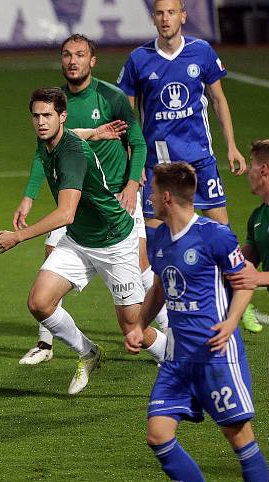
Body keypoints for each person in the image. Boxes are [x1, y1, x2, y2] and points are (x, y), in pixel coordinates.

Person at [15, 33, 168, 366]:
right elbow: (48, 152)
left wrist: (131, 184)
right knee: (44, 283)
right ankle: (58, 345)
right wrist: (28, 197)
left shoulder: (110, 96)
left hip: (115, 204)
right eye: (67, 54)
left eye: (80, 54)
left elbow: (138, 143)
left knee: (136, 299)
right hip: (79, 208)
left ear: (92, 60)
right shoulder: (54, 109)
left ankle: (173, 343)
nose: (73, 61)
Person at [0, 87, 155, 395]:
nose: (40, 122)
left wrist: (18, 236)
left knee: (134, 328)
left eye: (47, 115)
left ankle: (176, 356)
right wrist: (94, 132)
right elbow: (74, 133)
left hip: (113, 241)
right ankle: (89, 352)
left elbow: (66, 213)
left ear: (61, 116)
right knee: (39, 302)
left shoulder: (72, 155)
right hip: (79, 241)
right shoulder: (50, 139)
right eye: (36, 115)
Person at [123, 161, 269, 482]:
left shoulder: (213, 236)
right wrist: (139, 325)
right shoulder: (159, 238)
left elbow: (244, 283)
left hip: (215, 356)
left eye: (153, 193)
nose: (149, 199)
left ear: (167, 197)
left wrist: (231, 322)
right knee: (158, 435)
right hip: (177, 360)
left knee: (239, 437)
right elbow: (160, 288)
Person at [116, 0, 262, 333]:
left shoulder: (202, 52)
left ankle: (241, 297)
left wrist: (232, 147)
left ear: (183, 16)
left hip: (199, 163)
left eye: (171, 12)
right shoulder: (139, 59)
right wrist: (133, 161)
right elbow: (127, 115)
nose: (165, 19)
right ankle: (170, 315)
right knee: (156, 244)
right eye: (159, 13)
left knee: (222, 231)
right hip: (158, 168)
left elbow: (219, 100)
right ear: (153, 18)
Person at [226, 138, 269, 433]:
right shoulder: (258, 217)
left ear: (263, 170)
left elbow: (253, 275)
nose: (246, 171)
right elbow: (242, 265)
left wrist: (258, 279)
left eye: (251, 165)